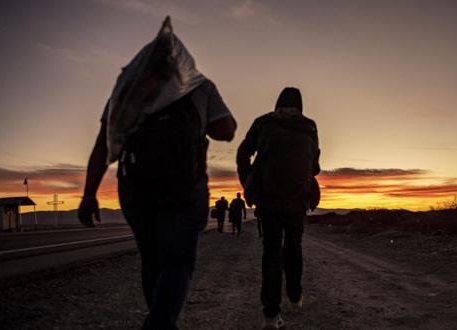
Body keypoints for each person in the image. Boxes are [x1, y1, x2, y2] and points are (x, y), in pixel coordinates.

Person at [78, 17, 236, 330]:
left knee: (152, 260)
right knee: (178, 261)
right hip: (186, 188)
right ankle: (160, 324)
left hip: (136, 188)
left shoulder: (130, 90)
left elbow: (103, 145)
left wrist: (88, 195)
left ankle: (160, 320)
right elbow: (227, 130)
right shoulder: (200, 87)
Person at [236, 87, 320, 329]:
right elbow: (315, 165)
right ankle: (295, 296)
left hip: (268, 199)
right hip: (297, 200)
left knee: (271, 252)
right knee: (294, 247)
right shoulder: (310, 126)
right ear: (300, 104)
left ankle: (271, 315)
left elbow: (243, 153)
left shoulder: (263, 122)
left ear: (278, 102)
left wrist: (249, 180)